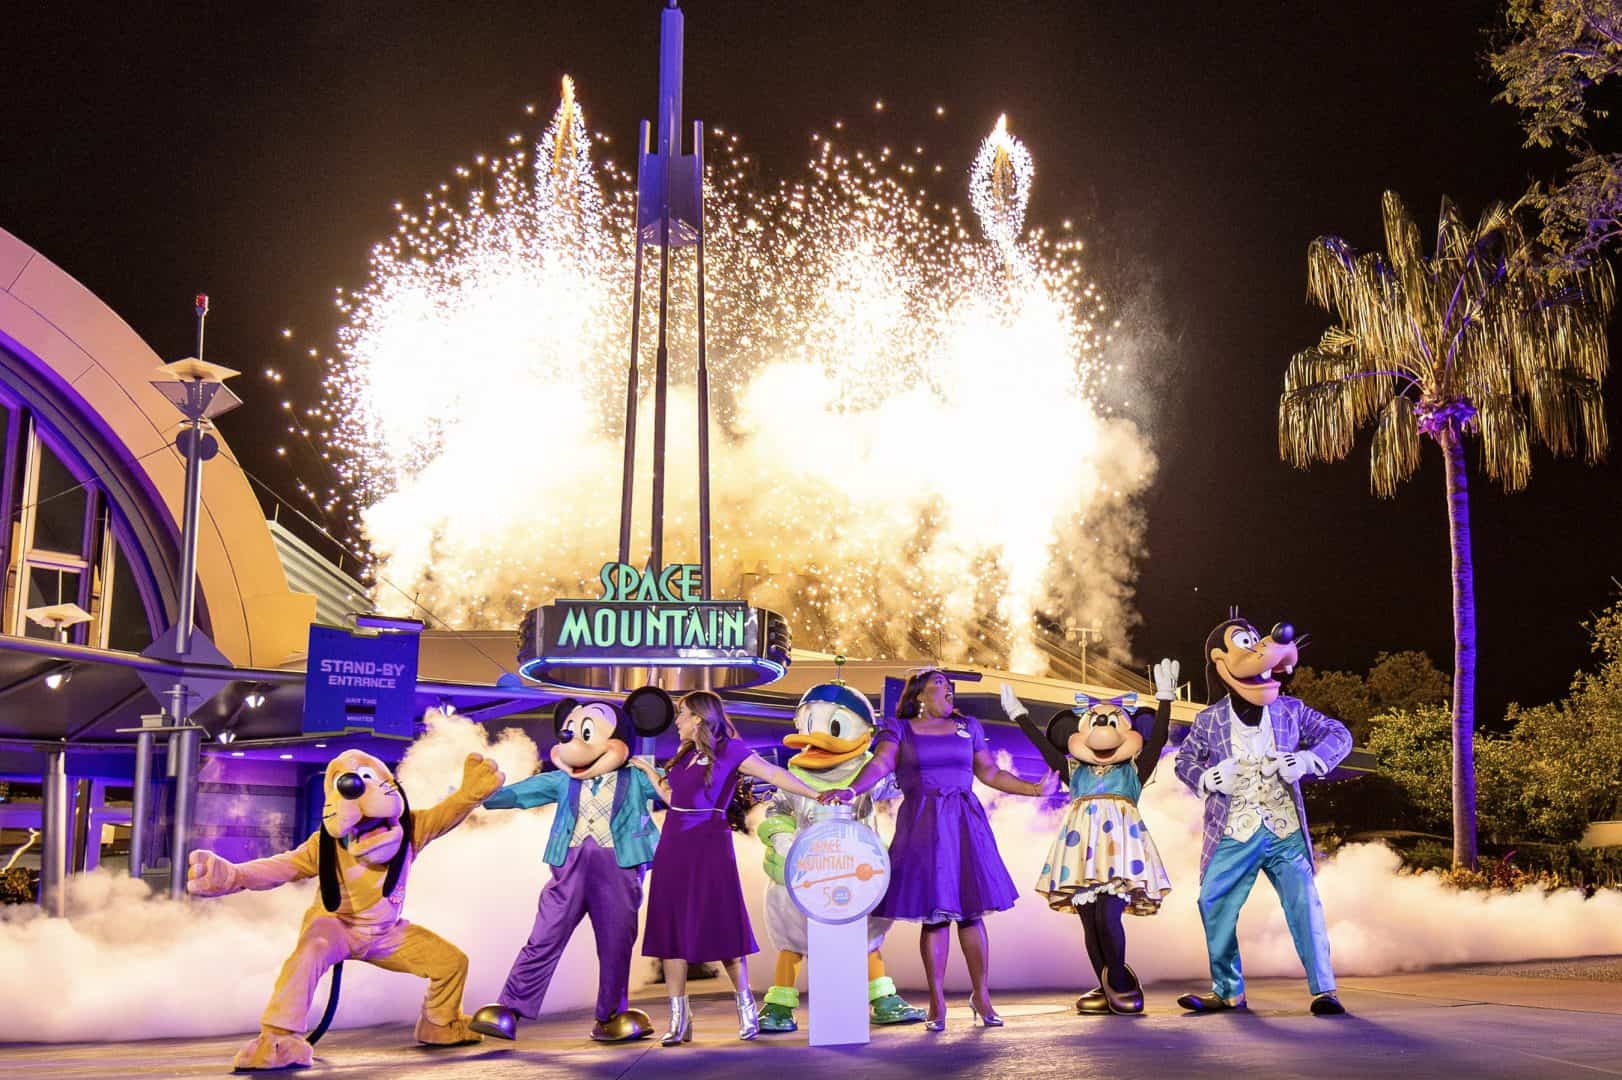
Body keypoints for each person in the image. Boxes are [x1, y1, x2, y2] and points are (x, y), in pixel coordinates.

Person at [823, 668, 1058, 1030]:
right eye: (939, 685)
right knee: (935, 915)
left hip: (965, 823)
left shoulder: (970, 726)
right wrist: (852, 790)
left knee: (971, 912)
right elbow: (881, 763)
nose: (948, 689)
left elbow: (990, 772)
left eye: (949, 686)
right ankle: (937, 1001)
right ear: (919, 695)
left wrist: (1033, 789)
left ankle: (981, 995)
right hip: (923, 825)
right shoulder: (898, 728)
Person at [629, 690, 826, 1046]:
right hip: (674, 843)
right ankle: (679, 1019)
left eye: (682, 714)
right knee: (671, 928)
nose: (676, 721)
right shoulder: (684, 754)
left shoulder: (731, 750)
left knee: (721, 924)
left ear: (700, 718)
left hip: (710, 844)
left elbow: (772, 773)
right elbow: (675, 799)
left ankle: (746, 1006)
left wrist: (816, 794)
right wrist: (648, 772)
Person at [1001, 659, 1180, 1016]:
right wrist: (1020, 715)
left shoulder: (1134, 769)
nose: (1103, 728)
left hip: (1119, 850)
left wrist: (1165, 699)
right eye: (1095, 721)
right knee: (1088, 917)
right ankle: (1106, 984)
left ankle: (1120, 979)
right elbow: (1046, 749)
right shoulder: (1074, 770)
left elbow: (1158, 738)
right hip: (1080, 849)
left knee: (1107, 917)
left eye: (1113, 722)